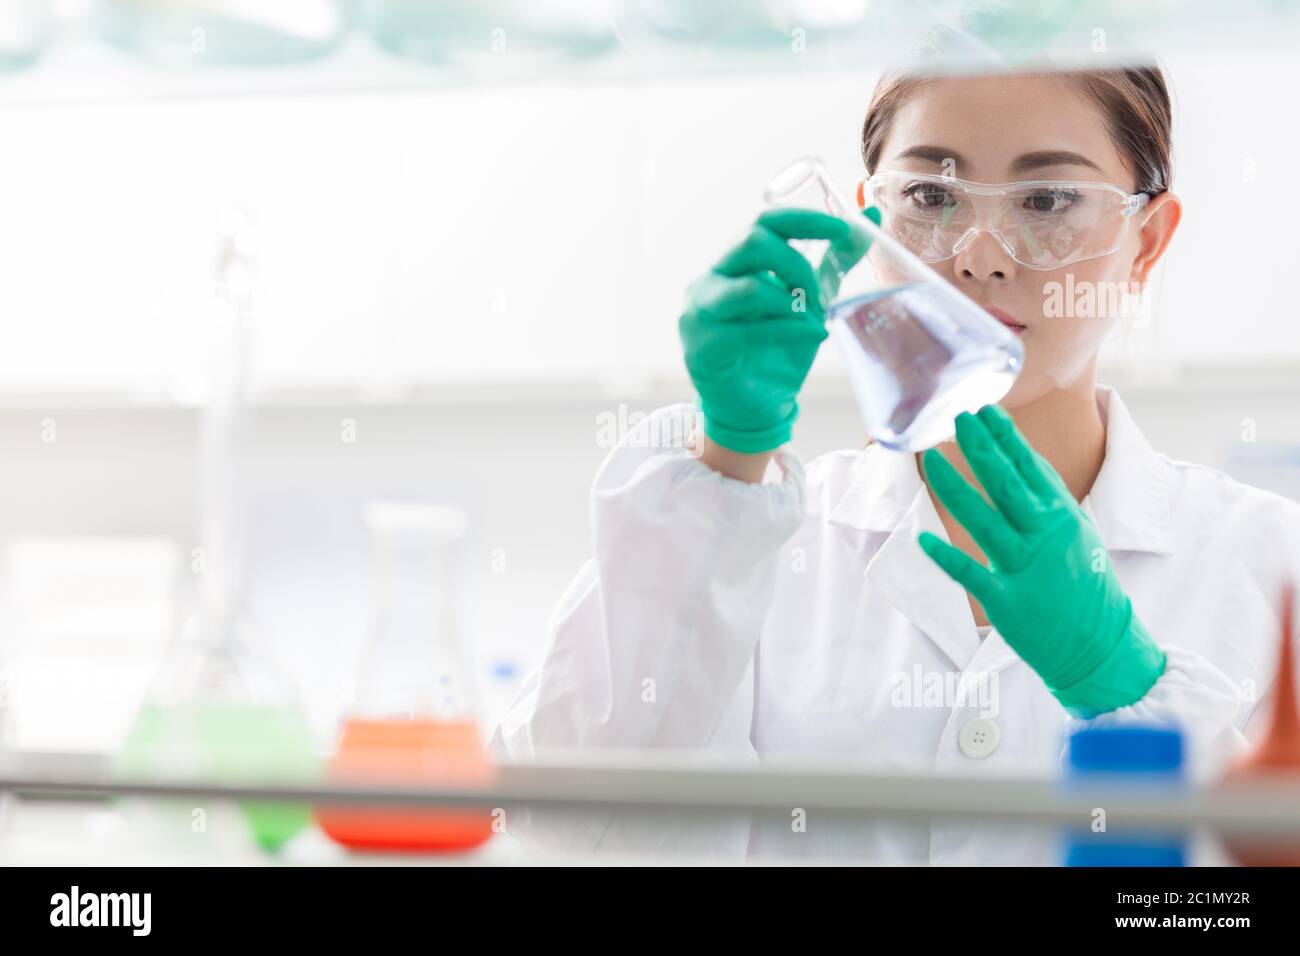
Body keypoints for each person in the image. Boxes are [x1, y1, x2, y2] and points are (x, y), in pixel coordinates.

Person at [491, 65, 1300, 864]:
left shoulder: (1268, 562)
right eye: (932, 198)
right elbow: (572, 829)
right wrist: (729, 453)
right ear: (867, 224)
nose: (981, 259)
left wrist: (1124, 683)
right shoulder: (757, 541)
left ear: (1146, 242)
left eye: (1047, 201)